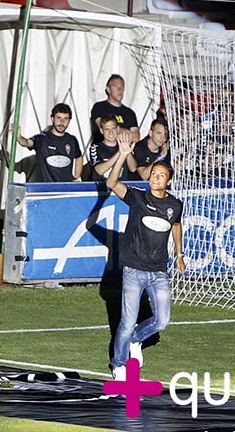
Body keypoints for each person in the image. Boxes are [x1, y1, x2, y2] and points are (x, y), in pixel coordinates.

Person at [107, 131, 185, 381]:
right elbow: (111, 183)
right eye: (153, 174)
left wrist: (179, 253)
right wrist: (122, 156)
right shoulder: (138, 198)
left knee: (162, 320)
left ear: (168, 182)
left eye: (161, 176)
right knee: (127, 322)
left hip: (159, 272)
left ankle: (137, 342)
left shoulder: (175, 205)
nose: (155, 178)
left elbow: (175, 225)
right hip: (133, 270)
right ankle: (118, 364)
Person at [16, 103, 83, 182]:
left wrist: (76, 177)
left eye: (65, 119)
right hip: (46, 190)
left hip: (65, 189)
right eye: (58, 118)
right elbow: (26, 142)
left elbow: (79, 156)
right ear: (52, 118)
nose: (62, 122)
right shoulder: (42, 139)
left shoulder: (72, 140)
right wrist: (18, 137)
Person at [90, 74, 140, 144]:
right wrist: (128, 133)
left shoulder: (129, 113)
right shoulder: (99, 107)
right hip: (103, 150)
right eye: (116, 86)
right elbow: (105, 129)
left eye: (122, 87)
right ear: (108, 89)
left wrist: (117, 132)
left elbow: (136, 137)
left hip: (124, 150)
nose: (119, 90)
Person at [89, 114, 137, 182]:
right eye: (106, 129)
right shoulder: (95, 147)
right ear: (101, 131)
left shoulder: (124, 144)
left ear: (117, 129)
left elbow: (133, 168)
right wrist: (120, 152)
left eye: (113, 128)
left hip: (121, 187)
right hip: (102, 189)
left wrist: (127, 152)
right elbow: (99, 170)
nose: (110, 132)